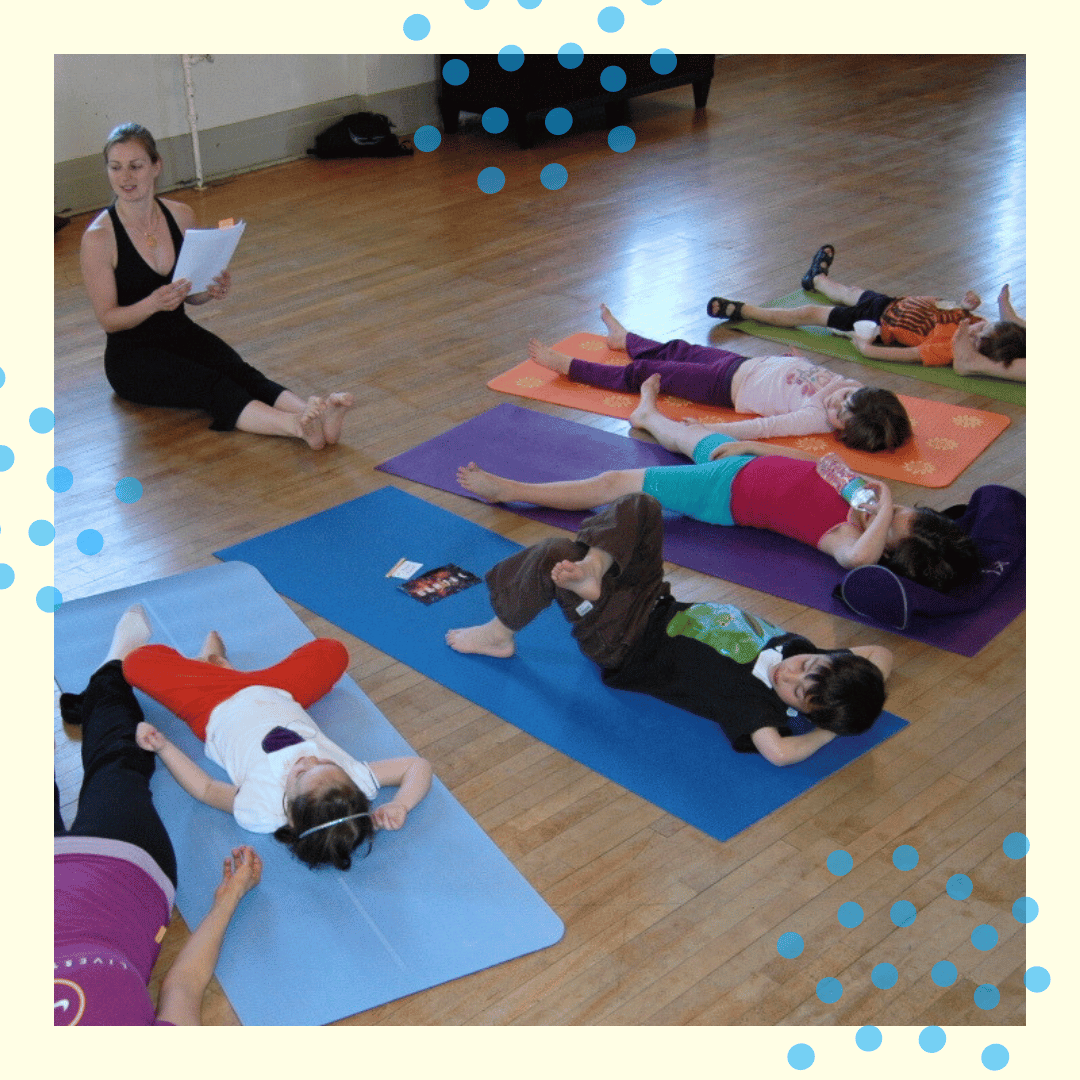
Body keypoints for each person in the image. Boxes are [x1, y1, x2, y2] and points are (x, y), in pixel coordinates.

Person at [447, 494, 893, 766]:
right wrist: (847, 700)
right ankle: (595, 570)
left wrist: (829, 730)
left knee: (552, 554)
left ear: (800, 710)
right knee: (642, 507)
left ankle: (499, 632)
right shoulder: (813, 658)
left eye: (796, 692)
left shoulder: (754, 701)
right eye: (806, 666)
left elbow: (779, 754)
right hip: (653, 598)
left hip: (622, 641)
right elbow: (880, 656)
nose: (789, 675)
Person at [457, 375, 981, 592]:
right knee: (692, 435)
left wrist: (884, 502)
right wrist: (753, 446)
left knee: (617, 480)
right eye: (898, 508)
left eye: (888, 523)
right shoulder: (856, 492)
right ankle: (649, 415)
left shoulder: (850, 537)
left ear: (885, 542)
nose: (877, 510)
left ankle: (510, 489)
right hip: (741, 465)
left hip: (721, 494)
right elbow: (814, 464)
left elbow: (855, 561)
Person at [80, 122, 355, 446]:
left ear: (156, 167)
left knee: (239, 370)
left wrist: (208, 291)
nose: (125, 178)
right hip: (132, 357)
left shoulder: (180, 216)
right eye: (116, 168)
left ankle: (316, 412)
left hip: (179, 333)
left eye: (135, 166)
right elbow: (108, 319)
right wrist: (153, 303)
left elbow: (190, 293)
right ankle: (296, 426)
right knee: (211, 384)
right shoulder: (99, 238)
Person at [55, 605, 262, 1025]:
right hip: (123, 876)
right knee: (121, 756)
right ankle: (113, 670)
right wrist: (228, 899)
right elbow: (183, 986)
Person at [122, 630, 433, 870]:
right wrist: (402, 804)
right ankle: (217, 666)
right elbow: (416, 767)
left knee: (135, 663)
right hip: (280, 690)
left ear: (291, 814)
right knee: (332, 650)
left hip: (212, 704)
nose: (308, 759)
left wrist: (163, 747)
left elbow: (205, 789)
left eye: (301, 771)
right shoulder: (352, 783)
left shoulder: (262, 807)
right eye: (325, 763)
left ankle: (213, 667)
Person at [528, 304, 911, 451]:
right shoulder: (853, 392)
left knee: (647, 371)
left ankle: (570, 367)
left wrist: (712, 430)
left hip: (722, 388)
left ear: (840, 432)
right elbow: (817, 375)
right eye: (844, 401)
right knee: (675, 348)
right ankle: (623, 338)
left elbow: (765, 428)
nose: (835, 403)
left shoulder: (815, 417)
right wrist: (794, 359)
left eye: (838, 416)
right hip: (739, 363)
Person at [706, 245, 1026, 383]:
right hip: (889, 303)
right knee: (847, 291)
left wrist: (867, 349)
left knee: (811, 313)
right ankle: (816, 278)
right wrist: (964, 305)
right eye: (981, 328)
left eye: (977, 337)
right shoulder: (973, 322)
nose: (973, 330)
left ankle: (744, 310)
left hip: (877, 324)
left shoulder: (949, 347)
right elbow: (937, 304)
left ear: (979, 350)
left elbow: (911, 355)